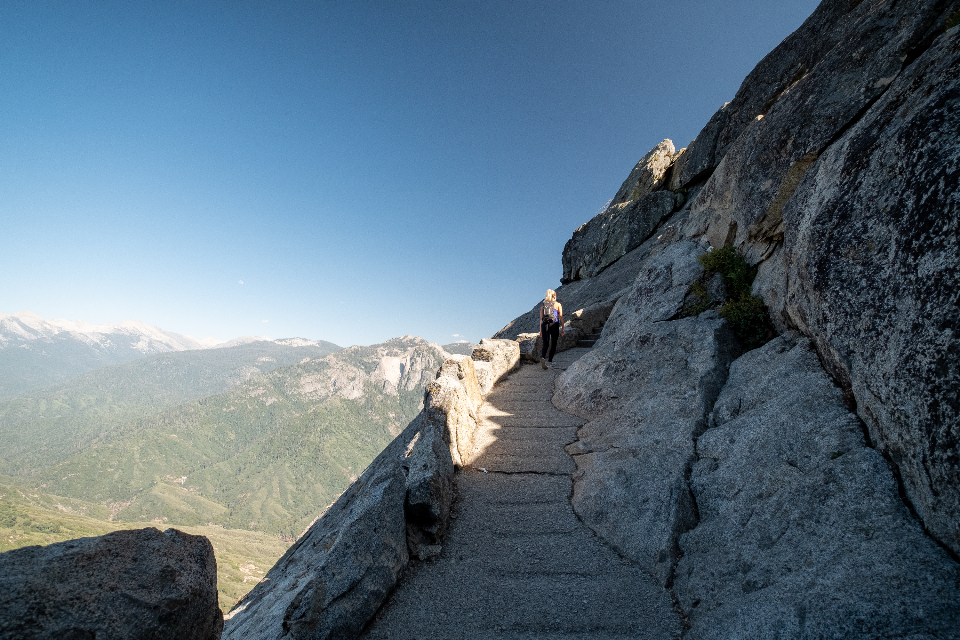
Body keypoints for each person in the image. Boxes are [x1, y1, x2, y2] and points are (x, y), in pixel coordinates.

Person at [540, 289, 564, 369]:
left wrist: (541, 331)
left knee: (545, 343)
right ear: (554, 296)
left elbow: (541, 319)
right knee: (554, 343)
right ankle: (550, 361)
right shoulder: (557, 304)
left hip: (545, 325)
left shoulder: (543, 305)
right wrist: (563, 328)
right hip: (554, 324)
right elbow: (561, 316)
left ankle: (543, 358)